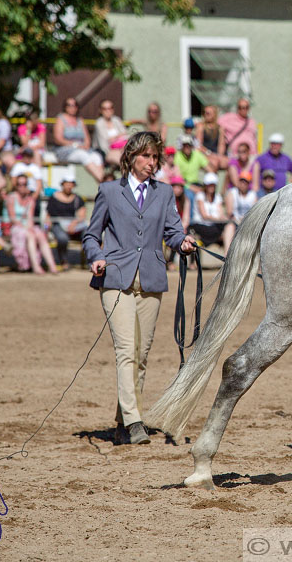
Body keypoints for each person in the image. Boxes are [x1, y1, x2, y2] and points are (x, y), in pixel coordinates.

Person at [82, 131, 197, 445]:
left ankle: (122, 422)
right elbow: (91, 236)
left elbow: (173, 232)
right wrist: (96, 257)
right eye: (146, 156)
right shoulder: (108, 191)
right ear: (130, 157)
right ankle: (135, 422)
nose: (151, 162)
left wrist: (183, 242)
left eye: (155, 157)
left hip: (151, 279)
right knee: (126, 352)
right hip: (115, 278)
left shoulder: (164, 193)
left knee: (141, 355)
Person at [6, 174, 59, 274]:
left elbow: (30, 218)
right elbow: (12, 218)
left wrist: (29, 227)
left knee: (41, 235)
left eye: (24, 184)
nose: (22, 187)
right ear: (15, 185)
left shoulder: (30, 199)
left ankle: (52, 266)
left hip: (27, 226)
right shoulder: (11, 198)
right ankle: (35, 266)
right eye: (19, 184)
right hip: (14, 227)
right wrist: (26, 228)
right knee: (30, 235)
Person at [53, 97, 104, 182]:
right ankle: (104, 182)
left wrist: (86, 145)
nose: (72, 107)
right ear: (65, 107)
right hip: (66, 150)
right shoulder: (61, 119)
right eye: (69, 105)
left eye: (74, 105)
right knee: (83, 156)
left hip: (82, 149)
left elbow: (87, 138)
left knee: (97, 157)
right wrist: (75, 145)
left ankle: (103, 184)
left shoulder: (80, 120)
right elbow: (58, 139)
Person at [45, 175, 87, 269]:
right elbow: (48, 217)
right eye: (67, 184)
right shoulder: (54, 198)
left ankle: (91, 261)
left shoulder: (77, 199)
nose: (69, 186)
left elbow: (82, 215)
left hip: (74, 226)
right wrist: (46, 230)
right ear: (62, 184)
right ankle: (64, 261)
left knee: (88, 236)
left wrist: (74, 224)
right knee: (62, 238)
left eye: (71, 184)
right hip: (57, 225)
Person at [190, 172, 235, 255]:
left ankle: (227, 255)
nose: (211, 187)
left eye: (213, 185)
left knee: (231, 226)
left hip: (213, 226)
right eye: (209, 185)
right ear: (205, 185)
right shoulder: (200, 196)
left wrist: (227, 219)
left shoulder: (217, 197)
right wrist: (219, 219)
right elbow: (204, 216)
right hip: (201, 226)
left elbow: (220, 213)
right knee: (228, 227)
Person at [218, 97, 258, 165]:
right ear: (237, 108)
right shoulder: (229, 117)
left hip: (251, 154)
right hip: (236, 154)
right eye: (241, 107)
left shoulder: (251, 122)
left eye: (246, 107)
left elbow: (254, 139)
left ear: (249, 108)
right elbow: (213, 122)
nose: (243, 110)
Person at [93, 99, 129, 167]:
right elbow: (103, 145)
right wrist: (118, 137)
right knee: (124, 161)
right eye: (105, 109)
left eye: (110, 108)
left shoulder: (116, 120)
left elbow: (125, 136)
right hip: (106, 153)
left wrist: (113, 139)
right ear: (100, 110)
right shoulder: (99, 123)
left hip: (122, 149)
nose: (108, 111)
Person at [194, 104, 226, 169]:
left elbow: (221, 144)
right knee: (214, 162)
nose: (205, 115)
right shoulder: (201, 127)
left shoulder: (220, 128)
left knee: (231, 163)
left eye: (208, 113)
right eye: (204, 113)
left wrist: (219, 156)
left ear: (214, 114)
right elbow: (198, 146)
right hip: (204, 154)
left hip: (215, 155)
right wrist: (210, 154)